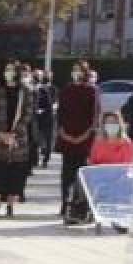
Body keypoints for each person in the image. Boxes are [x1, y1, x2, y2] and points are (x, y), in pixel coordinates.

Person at [0, 61, 35, 217]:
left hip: (17, 139)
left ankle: (11, 206)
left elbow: (28, 114)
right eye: (7, 69)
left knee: (15, 173)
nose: (9, 72)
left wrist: (14, 133)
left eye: (12, 70)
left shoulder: (26, 91)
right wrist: (0, 133)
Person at [56, 60, 99, 216]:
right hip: (67, 138)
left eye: (80, 70)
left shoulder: (92, 91)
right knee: (66, 173)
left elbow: (94, 117)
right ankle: (65, 203)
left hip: (84, 140)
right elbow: (60, 114)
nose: (77, 73)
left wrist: (83, 136)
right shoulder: (66, 90)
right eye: (74, 69)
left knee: (81, 174)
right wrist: (63, 133)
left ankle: (79, 205)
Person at [35, 69, 58, 168]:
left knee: (49, 138)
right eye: (45, 75)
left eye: (49, 75)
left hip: (49, 117)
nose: (46, 77)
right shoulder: (39, 88)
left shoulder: (54, 89)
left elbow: (55, 102)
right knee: (37, 138)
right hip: (38, 116)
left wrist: (51, 108)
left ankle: (46, 159)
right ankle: (35, 159)